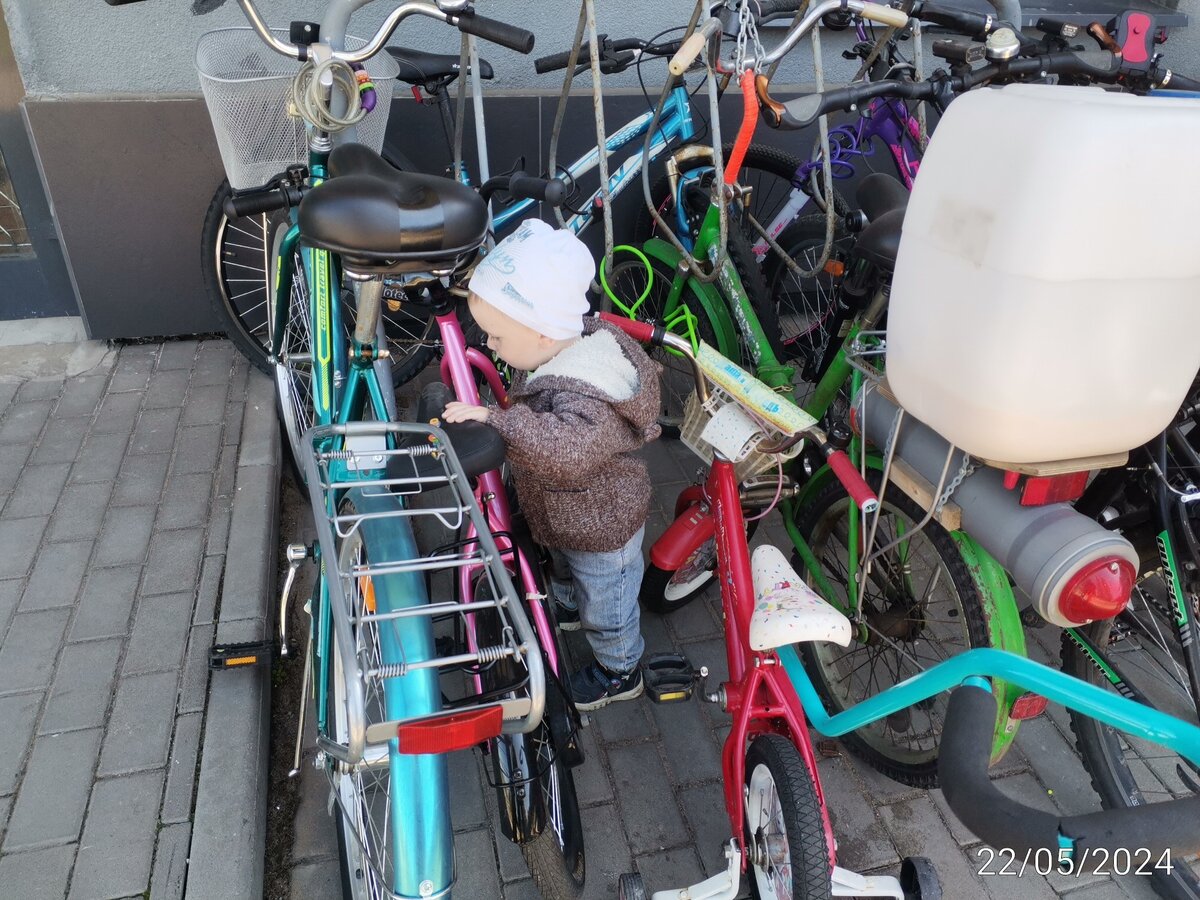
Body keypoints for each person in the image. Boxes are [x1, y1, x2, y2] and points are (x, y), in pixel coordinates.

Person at [442, 218, 661, 710]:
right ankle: (566, 600)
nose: (491, 345)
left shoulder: (588, 390)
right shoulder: (556, 351)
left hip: (602, 527)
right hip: (567, 514)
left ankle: (620, 669)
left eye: (496, 336)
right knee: (564, 563)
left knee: (607, 605)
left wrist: (498, 421)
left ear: (542, 334)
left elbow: (568, 451)